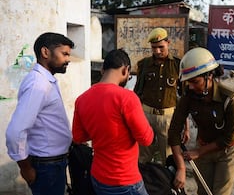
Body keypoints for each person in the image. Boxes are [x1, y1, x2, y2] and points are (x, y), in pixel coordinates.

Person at [72, 49, 154, 195]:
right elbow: (146, 139)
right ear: (126, 70)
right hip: (125, 180)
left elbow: (78, 137)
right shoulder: (127, 98)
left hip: (98, 177)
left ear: (103, 69)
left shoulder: (82, 99)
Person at [5, 32, 75, 195]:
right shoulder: (38, 84)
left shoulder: (45, 80)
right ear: (45, 52)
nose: (68, 60)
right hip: (46, 167)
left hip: (53, 165)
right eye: (64, 54)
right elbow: (15, 132)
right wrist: (26, 168)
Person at [168, 47, 234, 195]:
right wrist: (181, 168)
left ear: (209, 76)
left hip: (226, 152)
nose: (191, 86)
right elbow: (174, 132)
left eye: (195, 81)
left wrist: (198, 152)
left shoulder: (231, 99)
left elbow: (228, 138)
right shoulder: (188, 96)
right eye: (188, 82)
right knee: (203, 192)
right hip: (203, 148)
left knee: (219, 193)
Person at [134, 27, 183, 165]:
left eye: (161, 47)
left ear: (168, 42)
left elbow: (183, 97)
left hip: (167, 118)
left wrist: (184, 126)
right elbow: (137, 92)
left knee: (168, 157)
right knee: (142, 157)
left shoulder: (178, 65)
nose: (157, 51)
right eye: (154, 47)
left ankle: (167, 185)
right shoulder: (144, 65)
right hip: (146, 115)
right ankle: (144, 184)